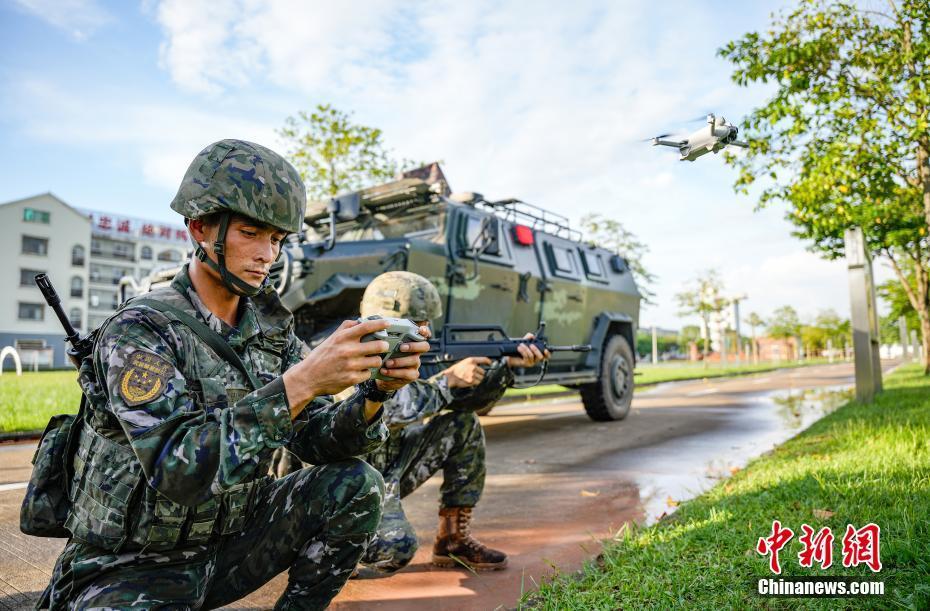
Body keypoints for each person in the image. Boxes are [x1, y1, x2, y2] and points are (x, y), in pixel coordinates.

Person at [37, 140, 429, 610]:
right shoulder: (141, 329)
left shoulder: (271, 333)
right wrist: (302, 381)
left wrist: (374, 392)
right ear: (200, 227)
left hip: (229, 543)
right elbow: (176, 470)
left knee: (355, 484)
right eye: (251, 233)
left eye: (278, 239)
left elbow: (321, 444)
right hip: (132, 563)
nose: (268, 254)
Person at [354, 271, 548, 576]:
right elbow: (389, 410)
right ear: (389, 319)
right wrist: (448, 380)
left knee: (462, 425)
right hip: (344, 484)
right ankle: (323, 546)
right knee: (395, 548)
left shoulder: (405, 353)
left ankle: (452, 541)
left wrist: (506, 366)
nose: (426, 330)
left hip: (387, 471)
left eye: (427, 322)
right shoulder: (351, 352)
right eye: (417, 323)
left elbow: (467, 404)